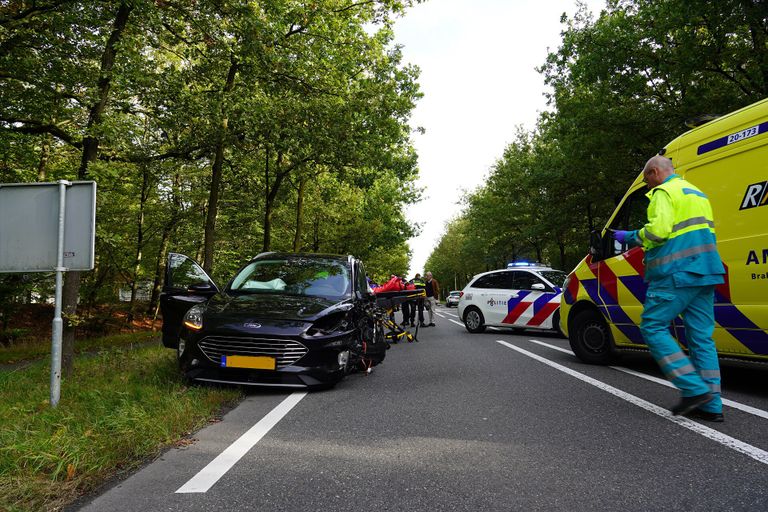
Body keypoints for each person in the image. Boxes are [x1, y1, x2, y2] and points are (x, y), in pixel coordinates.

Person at [614, 155, 725, 422]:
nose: (648, 186)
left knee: (652, 326)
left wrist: (629, 236)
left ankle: (694, 389)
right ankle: (712, 405)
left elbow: (659, 232)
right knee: (701, 338)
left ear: (654, 172)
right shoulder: (696, 193)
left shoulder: (664, 192)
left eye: (647, 181)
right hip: (706, 271)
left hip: (676, 273)